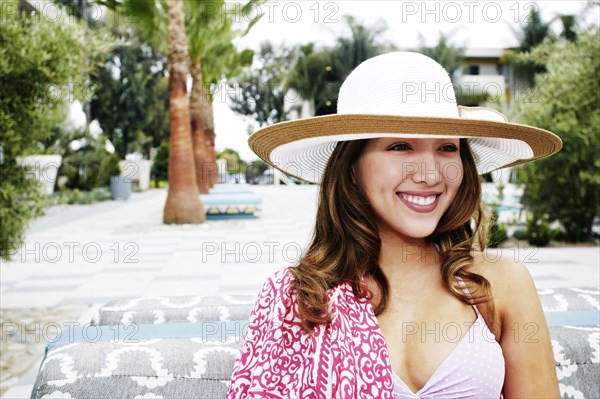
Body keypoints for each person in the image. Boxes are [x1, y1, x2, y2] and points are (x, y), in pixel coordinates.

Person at [227, 52, 562, 398]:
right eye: (401, 146)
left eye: (447, 148)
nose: (431, 174)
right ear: (352, 167)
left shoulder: (501, 284)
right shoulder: (299, 298)